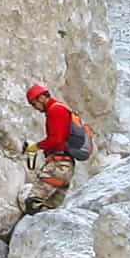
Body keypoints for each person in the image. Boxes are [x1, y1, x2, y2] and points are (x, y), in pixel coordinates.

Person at [19, 83, 76, 214]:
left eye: (34, 104)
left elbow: (56, 140)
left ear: (41, 98)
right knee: (51, 208)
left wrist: (36, 147)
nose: (36, 108)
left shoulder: (55, 111)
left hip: (58, 165)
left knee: (33, 202)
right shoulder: (60, 109)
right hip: (65, 166)